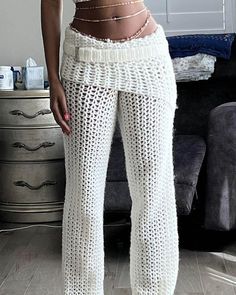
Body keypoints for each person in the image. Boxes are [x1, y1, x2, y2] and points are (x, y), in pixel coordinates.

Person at [41, 0, 179, 294]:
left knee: (154, 196)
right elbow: (50, 4)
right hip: (84, 61)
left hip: (147, 59)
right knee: (83, 197)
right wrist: (53, 78)